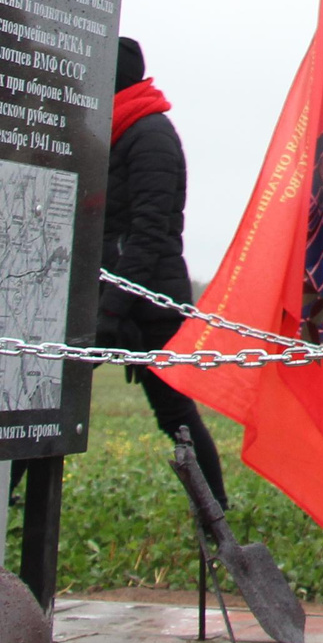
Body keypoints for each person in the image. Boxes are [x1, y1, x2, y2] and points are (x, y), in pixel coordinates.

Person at [99, 37, 226, 507]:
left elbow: (147, 235)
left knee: (175, 416)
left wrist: (112, 309)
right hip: (123, 295)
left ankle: (217, 517)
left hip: (146, 302)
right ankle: (0, 498)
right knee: (46, 398)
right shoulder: (124, 129)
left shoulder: (149, 134)